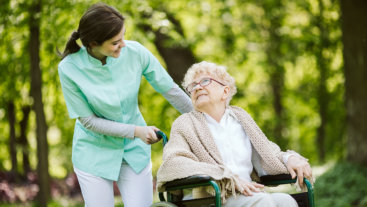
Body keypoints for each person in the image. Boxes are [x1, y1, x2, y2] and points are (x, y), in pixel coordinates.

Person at [58, 3, 193, 207]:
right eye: (115, 42)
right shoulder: (69, 69)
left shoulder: (136, 52)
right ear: (93, 43)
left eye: (123, 37)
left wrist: (205, 119)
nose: (123, 45)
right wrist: (136, 131)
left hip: (134, 151)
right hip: (94, 152)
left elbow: (170, 90)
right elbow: (89, 121)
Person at [157, 61, 313, 207]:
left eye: (205, 81)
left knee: (286, 201)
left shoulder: (241, 118)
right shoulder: (185, 123)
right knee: (262, 201)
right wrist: (224, 176)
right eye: (193, 86)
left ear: (225, 91)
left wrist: (290, 159)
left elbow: (267, 154)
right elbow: (173, 163)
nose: (197, 88)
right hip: (213, 198)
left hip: (249, 193)